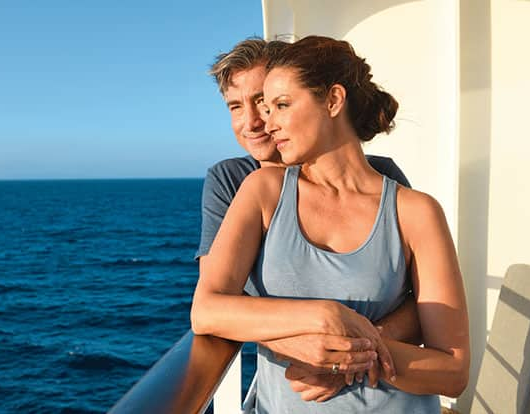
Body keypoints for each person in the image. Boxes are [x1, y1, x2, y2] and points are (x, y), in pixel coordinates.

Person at [191, 36, 470, 413]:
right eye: (242, 107)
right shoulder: (255, 187)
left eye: (279, 105)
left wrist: (349, 356)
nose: (264, 123)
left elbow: (451, 368)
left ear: (334, 100)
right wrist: (323, 316)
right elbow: (208, 309)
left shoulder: (414, 209)